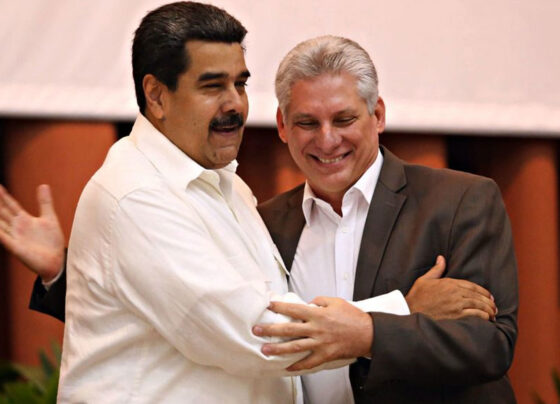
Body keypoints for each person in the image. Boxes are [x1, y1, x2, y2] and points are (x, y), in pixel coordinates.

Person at [0, 4, 500, 403]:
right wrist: (399, 312)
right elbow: (253, 332)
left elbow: (178, 311)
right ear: (157, 95)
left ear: (378, 115)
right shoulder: (136, 194)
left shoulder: (231, 189)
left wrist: (72, 274)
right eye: (212, 86)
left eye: (239, 83)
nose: (235, 104)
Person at [252, 36, 518, 403]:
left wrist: (369, 334)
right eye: (308, 123)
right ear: (283, 126)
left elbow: (489, 345)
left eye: (344, 119)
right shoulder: (264, 224)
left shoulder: (461, 200)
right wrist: (403, 310)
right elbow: (259, 340)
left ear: (377, 115)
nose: (327, 140)